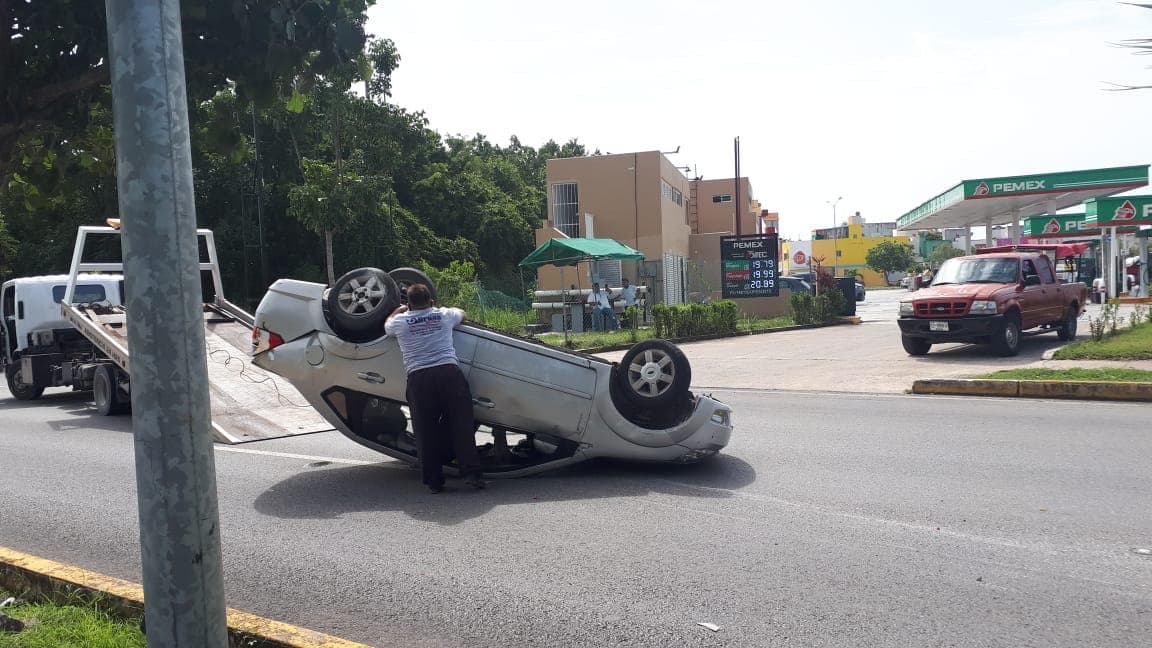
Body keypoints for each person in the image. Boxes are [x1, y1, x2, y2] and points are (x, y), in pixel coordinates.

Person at [384, 284, 484, 493]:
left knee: (425, 431)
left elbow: (387, 326)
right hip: (449, 374)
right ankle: (472, 474)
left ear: (410, 304)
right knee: (462, 426)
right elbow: (462, 313)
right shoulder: (443, 315)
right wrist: (438, 310)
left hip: (419, 379)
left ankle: (434, 481)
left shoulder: (400, 322)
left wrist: (399, 310)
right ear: (431, 301)